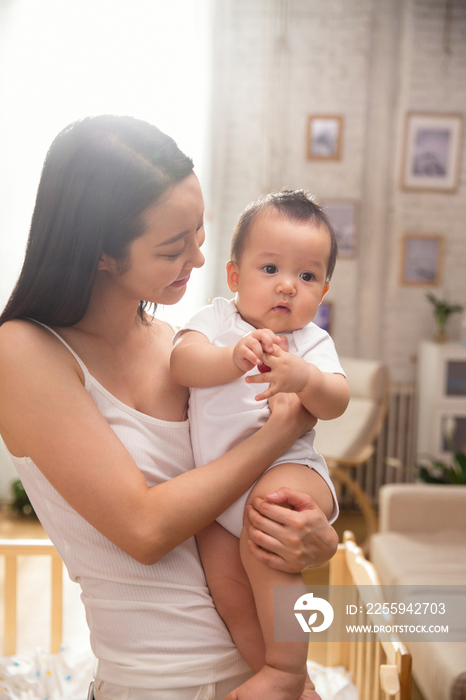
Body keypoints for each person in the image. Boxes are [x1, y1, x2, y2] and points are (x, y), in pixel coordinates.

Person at [0, 116, 339, 700]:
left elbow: (234, 498)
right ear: (103, 253)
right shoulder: (25, 352)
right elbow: (147, 528)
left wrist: (316, 535)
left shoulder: (177, 342)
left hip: (261, 669)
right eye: (172, 248)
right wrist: (278, 435)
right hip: (162, 684)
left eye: (201, 235)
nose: (201, 261)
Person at [171, 190, 350, 700]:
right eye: (270, 268)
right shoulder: (215, 322)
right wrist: (231, 358)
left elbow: (336, 400)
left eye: (308, 276)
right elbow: (181, 363)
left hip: (289, 469)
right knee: (228, 588)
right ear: (234, 277)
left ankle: (287, 669)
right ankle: (281, 678)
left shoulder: (310, 343)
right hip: (220, 491)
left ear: (323, 290)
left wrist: (305, 378)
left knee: (270, 528)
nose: (288, 286)